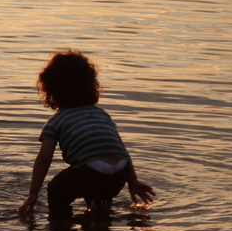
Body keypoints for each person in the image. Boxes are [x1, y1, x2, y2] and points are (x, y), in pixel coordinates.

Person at [16, 51, 156, 219]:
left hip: (90, 173)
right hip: (120, 173)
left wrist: (33, 194)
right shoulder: (101, 114)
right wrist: (132, 180)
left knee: (56, 189)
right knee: (97, 186)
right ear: (90, 84)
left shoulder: (56, 121)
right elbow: (121, 150)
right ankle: (100, 217)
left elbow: (44, 159)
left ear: (51, 89)